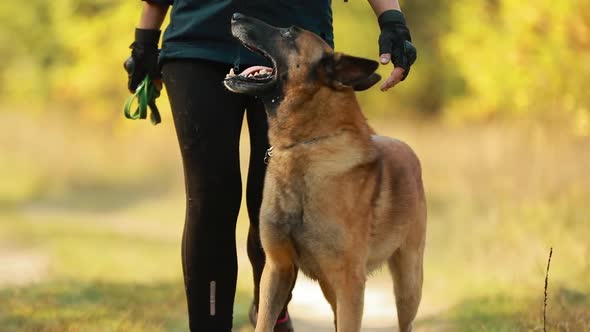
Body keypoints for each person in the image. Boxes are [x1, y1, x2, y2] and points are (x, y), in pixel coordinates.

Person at [126, 1, 416, 331]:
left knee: (274, 204)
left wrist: (392, 20)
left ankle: (271, 310)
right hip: (199, 41)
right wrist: (145, 39)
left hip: (296, 55)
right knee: (210, 201)